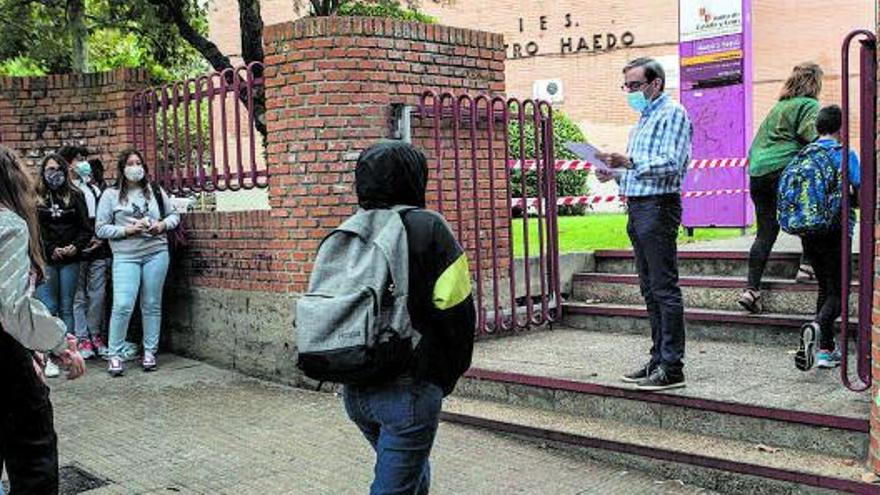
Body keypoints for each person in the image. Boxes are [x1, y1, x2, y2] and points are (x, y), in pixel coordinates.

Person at [343, 141, 476, 494]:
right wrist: (441, 379)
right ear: (416, 178)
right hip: (409, 389)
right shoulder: (429, 226)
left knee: (410, 474)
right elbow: (458, 312)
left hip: (355, 388)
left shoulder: (351, 229)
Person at [596, 57, 692, 391]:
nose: (630, 92)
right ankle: (657, 359)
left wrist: (630, 161)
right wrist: (613, 173)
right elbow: (638, 171)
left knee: (664, 287)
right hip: (637, 206)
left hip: (659, 207)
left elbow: (671, 164)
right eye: (627, 86)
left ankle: (672, 366)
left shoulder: (673, 114)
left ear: (656, 84)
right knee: (649, 288)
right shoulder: (642, 121)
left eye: (635, 85)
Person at [0, 144, 86, 494]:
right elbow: (12, 306)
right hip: (4, 363)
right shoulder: (8, 224)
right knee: (32, 456)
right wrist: (59, 343)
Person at [739, 63, 824, 313]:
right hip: (784, 170)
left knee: (765, 232)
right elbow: (813, 136)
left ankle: (751, 289)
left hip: (758, 173)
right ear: (815, 83)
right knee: (809, 214)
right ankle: (807, 267)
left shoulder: (778, 107)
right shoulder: (808, 105)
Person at [96, 149, 180, 376]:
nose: (135, 167)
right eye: (130, 163)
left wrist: (161, 226)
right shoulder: (110, 195)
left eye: (138, 163)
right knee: (123, 303)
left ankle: (150, 351)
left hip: (156, 252)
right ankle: (115, 353)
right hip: (126, 256)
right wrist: (127, 230)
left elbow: (174, 216)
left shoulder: (154, 191)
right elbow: (101, 228)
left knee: (151, 303)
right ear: (123, 168)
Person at [793, 105, 860, 371]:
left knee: (825, 288)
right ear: (841, 128)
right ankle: (816, 327)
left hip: (808, 232)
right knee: (839, 291)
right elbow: (861, 188)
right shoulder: (844, 155)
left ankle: (825, 351)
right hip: (835, 230)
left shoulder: (804, 154)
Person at [35, 153, 92, 378]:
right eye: (49, 169)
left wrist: (74, 247)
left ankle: (68, 353)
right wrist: (50, 249)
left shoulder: (75, 195)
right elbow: (34, 229)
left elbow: (85, 228)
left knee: (67, 307)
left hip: (70, 260)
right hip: (46, 259)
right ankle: (47, 356)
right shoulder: (36, 197)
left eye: (58, 169)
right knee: (48, 307)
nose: (54, 174)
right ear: (43, 172)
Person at [63, 150, 112, 360]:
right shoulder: (67, 191)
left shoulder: (95, 188)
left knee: (98, 294)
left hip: (99, 247)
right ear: (69, 165)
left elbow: (103, 216)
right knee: (79, 296)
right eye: (79, 160)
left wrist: (99, 237)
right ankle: (82, 336)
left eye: (84, 160)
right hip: (77, 248)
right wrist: (80, 242)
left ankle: (96, 334)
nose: (84, 164)